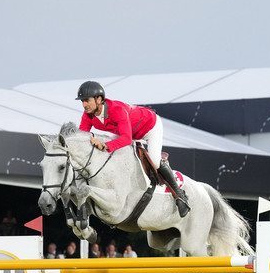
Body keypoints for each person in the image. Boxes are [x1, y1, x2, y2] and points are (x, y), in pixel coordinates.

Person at [75, 80, 190, 217]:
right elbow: (81, 138)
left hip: (149, 127)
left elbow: (126, 139)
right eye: (82, 101)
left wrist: (105, 145)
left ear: (99, 99)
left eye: (86, 100)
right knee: (113, 157)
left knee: (155, 160)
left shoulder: (116, 110)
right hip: (128, 131)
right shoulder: (88, 115)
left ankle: (180, 196)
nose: (84, 105)